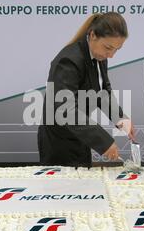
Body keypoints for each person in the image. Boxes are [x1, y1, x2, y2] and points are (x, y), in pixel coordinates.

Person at [38, 12, 135, 167]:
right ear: (93, 35)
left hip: (82, 136)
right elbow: (66, 109)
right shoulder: (68, 61)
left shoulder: (99, 56)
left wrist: (120, 118)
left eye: (117, 49)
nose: (111, 55)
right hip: (60, 143)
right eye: (108, 48)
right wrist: (103, 141)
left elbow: (103, 92)